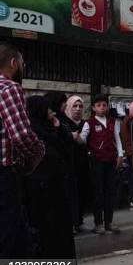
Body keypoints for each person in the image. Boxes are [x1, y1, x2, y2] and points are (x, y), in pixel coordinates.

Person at [0, 43, 45, 265]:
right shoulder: (9, 88)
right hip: (4, 174)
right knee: (14, 239)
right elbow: (21, 135)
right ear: (14, 63)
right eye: (23, 64)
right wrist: (37, 155)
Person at [23, 96, 76, 265]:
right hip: (41, 195)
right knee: (45, 236)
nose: (52, 111)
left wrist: (59, 127)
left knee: (58, 235)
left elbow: (68, 147)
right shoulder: (32, 134)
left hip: (57, 193)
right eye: (47, 108)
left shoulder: (51, 129)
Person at [80, 94, 124, 235]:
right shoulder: (89, 123)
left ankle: (109, 222)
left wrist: (120, 155)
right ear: (93, 108)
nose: (102, 108)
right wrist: (76, 138)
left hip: (111, 160)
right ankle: (98, 223)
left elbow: (117, 139)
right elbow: (82, 139)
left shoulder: (112, 121)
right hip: (96, 161)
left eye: (104, 105)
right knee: (98, 192)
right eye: (98, 105)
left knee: (109, 192)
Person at [45, 92, 80, 234]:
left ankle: (74, 222)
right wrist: (71, 136)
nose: (66, 105)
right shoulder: (52, 120)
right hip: (58, 165)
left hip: (68, 162)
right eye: (63, 102)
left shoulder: (62, 119)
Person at [65, 95, 90, 232]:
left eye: (80, 106)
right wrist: (72, 136)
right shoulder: (64, 122)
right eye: (75, 106)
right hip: (68, 162)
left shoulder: (85, 124)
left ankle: (79, 221)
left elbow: (82, 141)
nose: (78, 109)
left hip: (81, 162)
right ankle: (71, 222)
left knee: (81, 191)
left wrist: (73, 136)